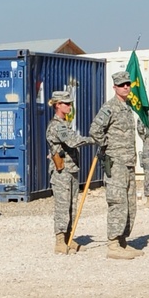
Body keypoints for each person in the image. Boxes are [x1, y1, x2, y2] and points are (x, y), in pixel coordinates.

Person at [87, 69, 139, 259]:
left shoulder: (127, 108)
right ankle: (113, 244)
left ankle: (123, 240)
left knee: (130, 203)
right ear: (114, 87)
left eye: (128, 84)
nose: (126, 87)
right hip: (116, 163)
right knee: (117, 202)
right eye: (122, 85)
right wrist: (106, 147)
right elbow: (95, 130)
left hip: (129, 162)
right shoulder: (109, 107)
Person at [46, 91, 93, 253]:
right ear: (57, 105)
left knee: (72, 206)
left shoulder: (65, 124)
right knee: (62, 205)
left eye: (70, 103)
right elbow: (72, 141)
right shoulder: (56, 125)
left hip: (71, 169)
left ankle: (69, 237)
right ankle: (60, 240)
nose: (69, 106)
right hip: (61, 172)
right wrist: (93, 139)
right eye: (66, 103)